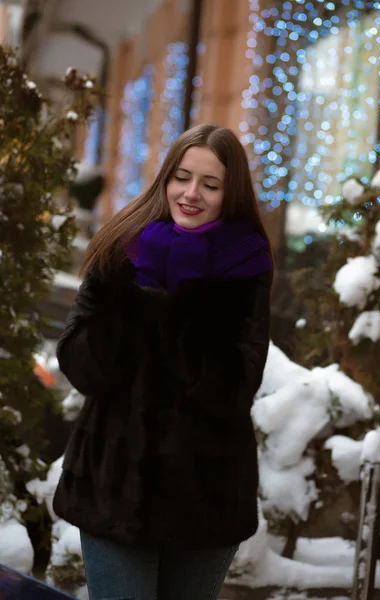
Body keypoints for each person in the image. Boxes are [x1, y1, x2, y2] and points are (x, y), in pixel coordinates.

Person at [53, 123, 273, 600]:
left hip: (206, 497)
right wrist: (143, 295)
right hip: (113, 486)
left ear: (229, 193)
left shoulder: (245, 262)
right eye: (182, 177)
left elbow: (237, 384)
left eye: (210, 185)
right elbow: (80, 364)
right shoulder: (123, 246)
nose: (191, 193)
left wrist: (188, 299)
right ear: (165, 179)